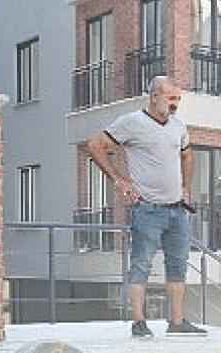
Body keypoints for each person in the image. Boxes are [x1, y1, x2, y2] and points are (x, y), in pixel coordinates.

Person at [86, 76, 206, 338]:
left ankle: (177, 322)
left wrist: (187, 187)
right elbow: (95, 146)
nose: (175, 104)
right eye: (170, 98)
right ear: (153, 96)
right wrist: (119, 179)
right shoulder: (132, 123)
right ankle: (139, 322)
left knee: (178, 265)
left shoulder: (178, 126)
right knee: (141, 265)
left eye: (178, 99)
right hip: (147, 209)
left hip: (177, 210)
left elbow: (187, 154)